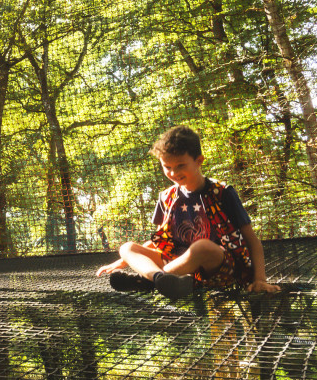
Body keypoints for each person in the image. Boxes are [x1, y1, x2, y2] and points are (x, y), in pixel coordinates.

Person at [96, 125, 281, 299]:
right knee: (126, 247)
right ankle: (160, 280)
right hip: (177, 267)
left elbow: (252, 241)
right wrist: (125, 259)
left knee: (202, 246)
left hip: (219, 268)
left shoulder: (222, 192)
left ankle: (148, 282)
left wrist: (260, 279)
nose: (173, 173)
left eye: (180, 165)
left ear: (199, 161)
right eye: (167, 167)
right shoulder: (166, 197)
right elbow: (161, 242)